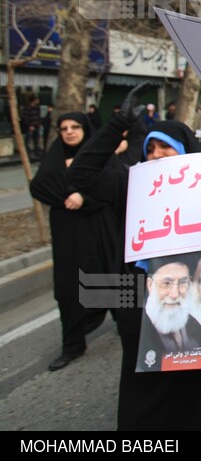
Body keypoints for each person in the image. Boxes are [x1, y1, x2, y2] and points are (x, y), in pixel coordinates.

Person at [66, 85, 201, 430]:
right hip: (149, 324)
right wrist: (116, 125)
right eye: (149, 148)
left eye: (165, 147)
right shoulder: (131, 188)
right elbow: (78, 176)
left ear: (185, 152)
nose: (155, 155)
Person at [30, 112, 116, 371]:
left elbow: (112, 186)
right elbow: (40, 186)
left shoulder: (100, 157)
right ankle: (73, 345)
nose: (69, 131)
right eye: (63, 127)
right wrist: (71, 194)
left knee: (111, 277)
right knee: (68, 287)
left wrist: (84, 198)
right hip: (69, 232)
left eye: (75, 126)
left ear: (85, 129)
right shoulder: (54, 157)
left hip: (99, 226)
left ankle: (128, 327)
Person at [138, 253, 201, 371]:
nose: (175, 294)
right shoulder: (140, 330)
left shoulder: (193, 324)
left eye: (182, 283)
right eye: (166, 283)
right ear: (150, 285)